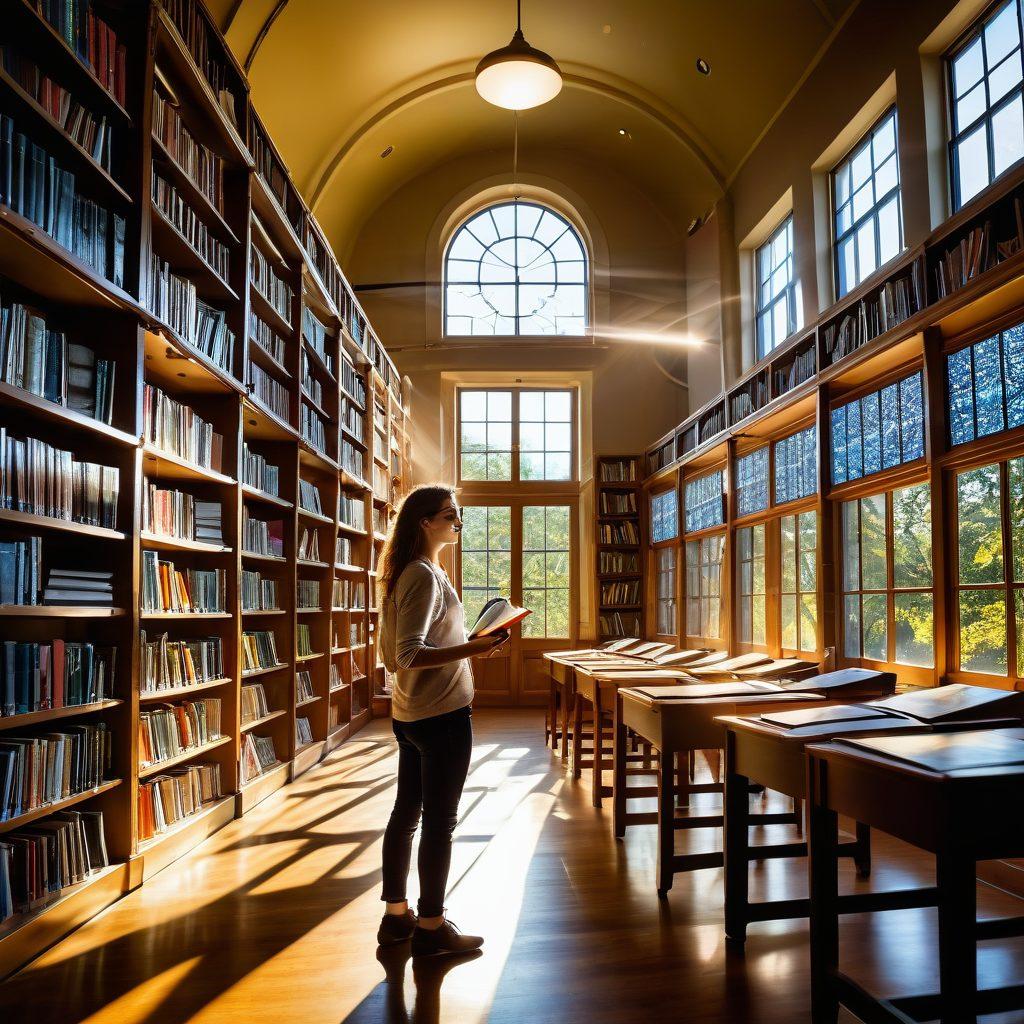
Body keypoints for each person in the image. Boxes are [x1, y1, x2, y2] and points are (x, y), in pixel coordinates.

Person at [376, 485, 508, 956]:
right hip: (441, 716)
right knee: (438, 822)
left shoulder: (404, 573)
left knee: (407, 814)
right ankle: (431, 928)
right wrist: (476, 648)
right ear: (424, 522)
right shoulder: (423, 575)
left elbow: (392, 651)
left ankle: (396, 919)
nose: (458, 523)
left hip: (411, 714)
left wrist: (471, 640)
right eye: (450, 515)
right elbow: (407, 655)